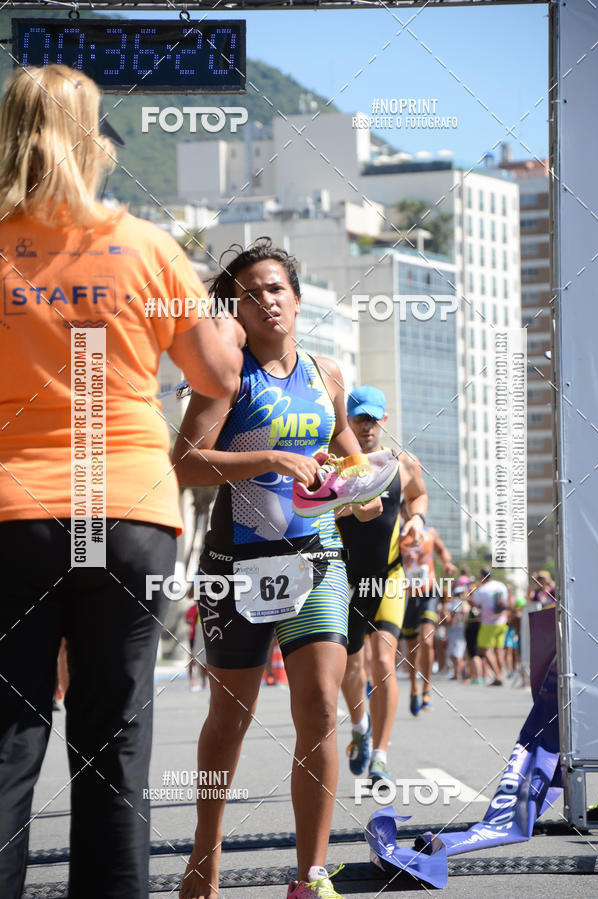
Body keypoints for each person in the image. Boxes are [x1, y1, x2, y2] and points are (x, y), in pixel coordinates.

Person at [0, 64, 243, 899]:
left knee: (7, 740)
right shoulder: (145, 245)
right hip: (129, 509)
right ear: (95, 140)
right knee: (115, 751)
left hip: (12, 513)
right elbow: (218, 371)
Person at [172, 239, 383, 899]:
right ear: (233, 307)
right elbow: (183, 461)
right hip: (238, 559)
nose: (266, 299)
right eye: (250, 291)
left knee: (319, 704)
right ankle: (205, 857)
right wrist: (265, 460)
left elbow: (350, 459)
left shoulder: (327, 374)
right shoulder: (225, 375)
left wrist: (363, 489)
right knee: (230, 716)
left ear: (296, 297)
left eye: (276, 287)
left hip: (315, 557)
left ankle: (308, 874)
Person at [336, 386, 428, 788]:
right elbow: (311, 509)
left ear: (384, 421)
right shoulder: (333, 464)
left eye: (372, 419)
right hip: (345, 580)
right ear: (348, 420)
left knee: (384, 663)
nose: (366, 426)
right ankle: (360, 726)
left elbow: (419, 496)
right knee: (351, 668)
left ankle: (380, 756)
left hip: (388, 577)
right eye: (359, 418)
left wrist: (417, 521)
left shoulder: (401, 462)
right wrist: (349, 506)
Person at [400, 504, 456, 715]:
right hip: (406, 596)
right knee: (412, 647)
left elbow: (442, 551)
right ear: (402, 513)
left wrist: (448, 563)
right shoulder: (397, 536)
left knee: (427, 639)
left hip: (428, 593)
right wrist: (403, 560)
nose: (410, 513)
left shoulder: (430, 533)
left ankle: (426, 689)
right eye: (406, 510)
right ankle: (414, 685)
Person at [471, 568, 511, 686]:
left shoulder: (482, 590)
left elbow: (475, 603)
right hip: (502, 621)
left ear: (483, 576)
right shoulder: (501, 585)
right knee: (499, 650)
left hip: (489, 623)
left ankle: (498, 675)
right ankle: (500, 675)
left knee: (484, 648)